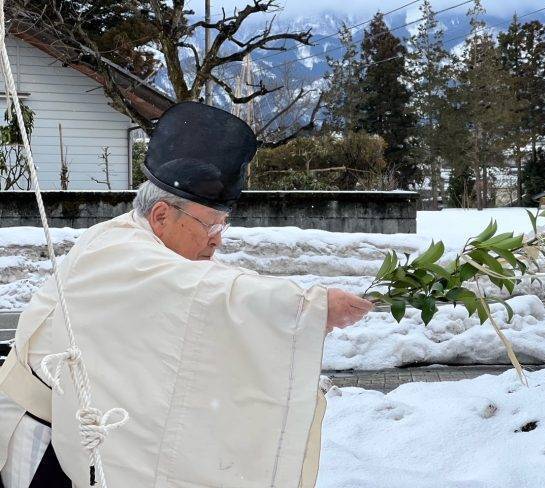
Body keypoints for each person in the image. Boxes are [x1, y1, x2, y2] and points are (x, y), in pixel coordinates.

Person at [0, 102, 373, 488]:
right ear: (161, 215)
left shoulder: (154, 251)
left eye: (223, 226)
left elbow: (207, 287)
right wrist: (306, 309)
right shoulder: (117, 252)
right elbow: (207, 291)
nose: (217, 240)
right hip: (41, 431)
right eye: (208, 226)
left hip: (82, 427)